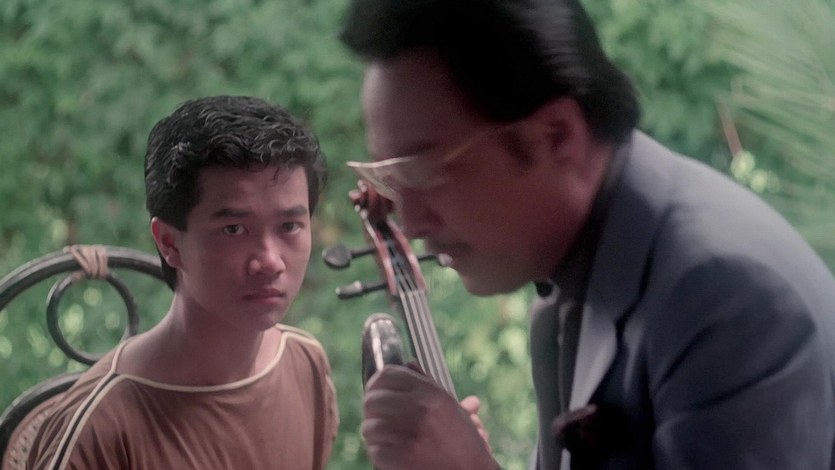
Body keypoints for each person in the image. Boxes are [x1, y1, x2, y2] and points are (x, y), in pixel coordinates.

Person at [339, 0, 835, 469]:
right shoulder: (577, 263)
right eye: (392, 177)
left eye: (425, 172)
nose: (412, 222)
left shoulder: (724, 300)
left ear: (556, 137)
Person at [27, 95, 338, 469]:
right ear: (169, 243)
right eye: (234, 229)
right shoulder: (97, 428)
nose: (270, 261)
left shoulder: (305, 362)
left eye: (289, 226)